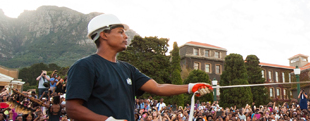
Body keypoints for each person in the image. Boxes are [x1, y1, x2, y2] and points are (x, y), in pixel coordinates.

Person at [66, 14, 212, 121]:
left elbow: (158, 88)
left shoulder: (128, 69)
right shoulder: (85, 66)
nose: (126, 36)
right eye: (120, 32)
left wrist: (190, 87)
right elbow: (72, 109)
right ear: (104, 35)